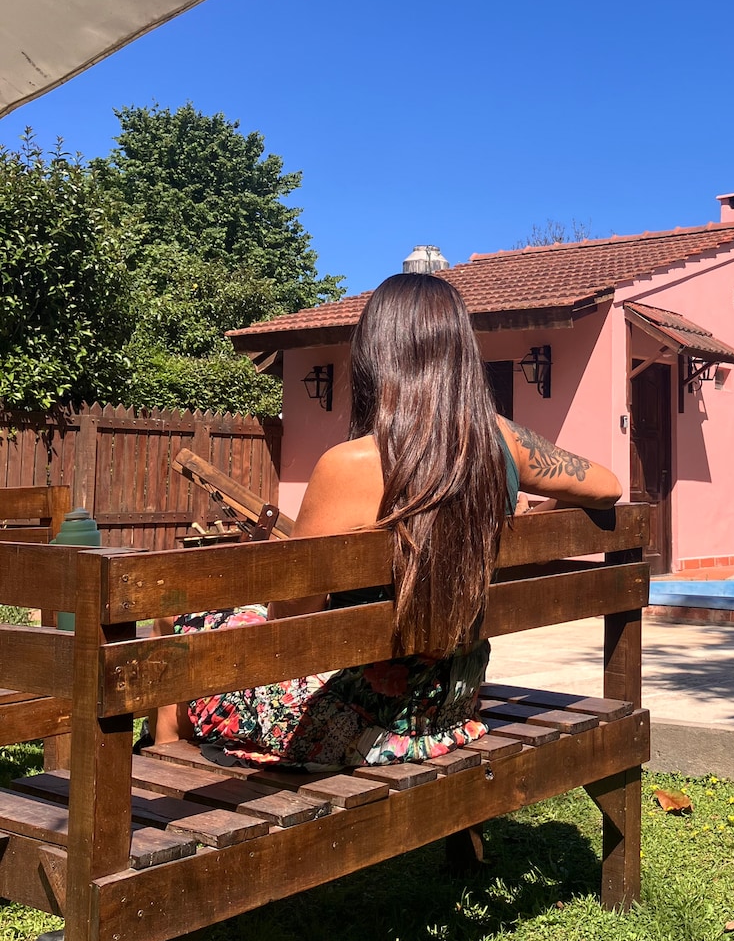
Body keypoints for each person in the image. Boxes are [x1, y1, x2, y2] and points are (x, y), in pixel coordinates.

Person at [152, 271, 622, 768]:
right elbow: (607, 486)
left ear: (375, 357)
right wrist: (532, 508)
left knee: (179, 628)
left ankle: (157, 781)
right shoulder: (503, 443)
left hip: (355, 721)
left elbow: (289, 620)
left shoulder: (348, 465)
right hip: (450, 710)